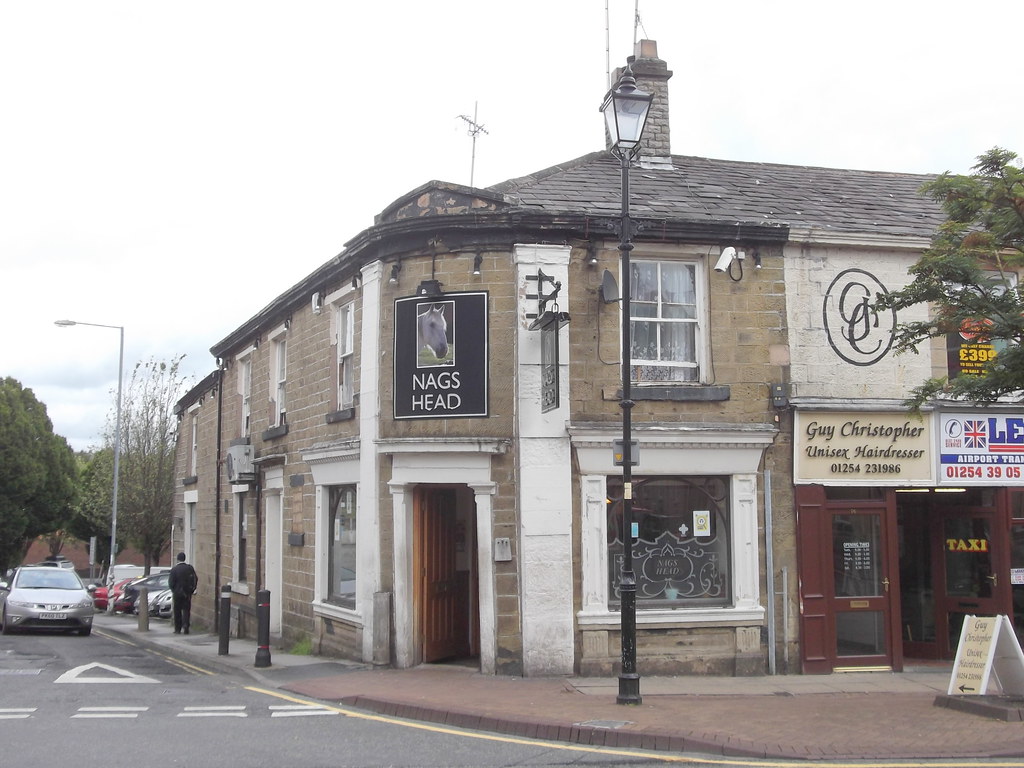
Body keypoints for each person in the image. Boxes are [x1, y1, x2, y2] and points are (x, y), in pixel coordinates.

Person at [168, 552, 197, 634]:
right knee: (186, 610)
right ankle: (186, 627)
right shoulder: (189, 568)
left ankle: (178, 629)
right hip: (187, 593)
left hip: (177, 593)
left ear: (178, 559)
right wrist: (192, 590)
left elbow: (171, 582)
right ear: (184, 558)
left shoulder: (174, 570)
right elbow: (195, 579)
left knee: (177, 611)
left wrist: (174, 590)